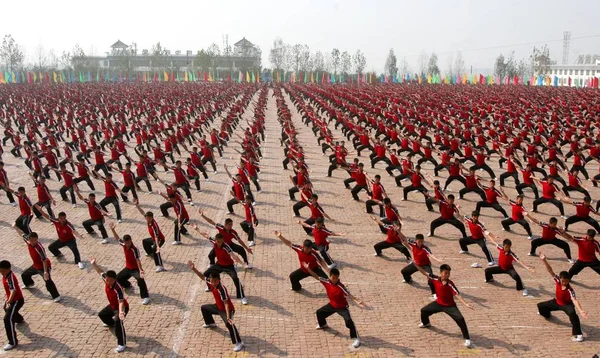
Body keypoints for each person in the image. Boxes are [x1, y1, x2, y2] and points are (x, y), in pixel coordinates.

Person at [302, 263, 366, 349]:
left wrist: (357, 301)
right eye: (333, 278)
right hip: (332, 305)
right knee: (319, 312)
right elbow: (317, 277)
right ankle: (323, 324)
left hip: (342, 307)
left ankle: (356, 338)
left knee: (349, 322)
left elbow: (349, 294)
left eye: (337, 278)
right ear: (330, 277)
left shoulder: (341, 286)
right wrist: (309, 269)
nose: (335, 279)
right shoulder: (326, 281)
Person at [414, 264, 474, 348]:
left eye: (448, 273)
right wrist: (416, 265)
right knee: (424, 310)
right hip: (438, 303)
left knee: (460, 319)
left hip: (450, 306)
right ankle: (426, 323)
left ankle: (467, 339)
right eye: (445, 273)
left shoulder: (450, 284)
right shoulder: (435, 278)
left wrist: (465, 304)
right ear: (441, 273)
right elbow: (424, 273)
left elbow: (457, 294)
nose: (447, 275)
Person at [188, 264, 244, 352]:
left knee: (229, 324)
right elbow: (202, 277)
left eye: (215, 281)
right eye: (212, 281)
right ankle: (210, 323)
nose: (213, 283)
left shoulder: (222, 290)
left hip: (227, 310)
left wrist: (228, 316)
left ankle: (239, 342)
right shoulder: (210, 282)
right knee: (204, 308)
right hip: (218, 306)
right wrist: (193, 268)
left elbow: (226, 304)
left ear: (219, 280)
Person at [537, 253, 587, 342]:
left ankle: (578, 335)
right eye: (563, 281)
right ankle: (547, 315)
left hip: (567, 305)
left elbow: (574, 300)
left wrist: (581, 310)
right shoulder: (557, 281)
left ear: (568, 280)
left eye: (566, 281)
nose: (564, 283)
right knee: (540, 306)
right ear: (560, 279)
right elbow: (550, 271)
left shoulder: (570, 290)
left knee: (573, 315)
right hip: (557, 302)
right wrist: (544, 260)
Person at [190, 228, 248, 305]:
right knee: (206, 274)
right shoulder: (214, 242)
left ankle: (242, 296)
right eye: (218, 241)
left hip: (229, 266)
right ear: (216, 240)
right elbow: (205, 235)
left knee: (235, 278)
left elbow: (233, 256)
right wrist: (197, 229)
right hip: (219, 264)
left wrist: (242, 263)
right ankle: (210, 287)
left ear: (223, 240)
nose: (219, 243)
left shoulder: (226, 247)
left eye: (221, 241)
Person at [90, 258, 129, 353]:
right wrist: (94, 264)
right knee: (102, 314)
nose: (107, 282)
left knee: (119, 322)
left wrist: (120, 312)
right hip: (112, 305)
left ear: (114, 279)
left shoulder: (118, 288)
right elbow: (100, 272)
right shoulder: (106, 279)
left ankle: (122, 344)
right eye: (106, 280)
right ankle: (111, 324)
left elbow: (121, 301)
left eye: (110, 281)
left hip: (122, 307)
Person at [11, 229, 60, 302]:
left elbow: (44, 260)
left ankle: (56, 296)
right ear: (29, 239)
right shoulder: (27, 241)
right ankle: (29, 283)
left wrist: (46, 272)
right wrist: (15, 227)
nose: (33, 242)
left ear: (37, 239)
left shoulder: (39, 248)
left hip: (43, 267)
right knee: (24, 275)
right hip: (35, 265)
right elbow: (22, 234)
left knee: (48, 281)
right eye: (31, 240)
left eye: (35, 240)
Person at [109, 223, 150, 305]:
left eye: (128, 242)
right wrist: (113, 230)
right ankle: (128, 285)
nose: (127, 244)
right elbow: (117, 239)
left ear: (131, 241)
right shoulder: (124, 244)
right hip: (128, 268)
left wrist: (141, 270)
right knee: (117, 278)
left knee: (140, 280)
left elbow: (138, 260)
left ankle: (146, 297)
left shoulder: (134, 249)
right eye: (126, 242)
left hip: (135, 269)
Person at [483, 230, 534, 296]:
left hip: (509, 269)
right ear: (503, 246)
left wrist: (527, 267)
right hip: (500, 267)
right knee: (487, 270)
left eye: (509, 247)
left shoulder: (511, 254)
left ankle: (522, 288)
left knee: (516, 277)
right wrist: (488, 235)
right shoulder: (501, 248)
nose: (507, 248)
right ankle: (490, 279)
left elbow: (518, 261)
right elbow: (494, 242)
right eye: (506, 247)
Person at [400, 234, 442, 298]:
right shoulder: (413, 243)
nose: (420, 243)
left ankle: (434, 293)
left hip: (425, 265)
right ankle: (408, 279)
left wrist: (437, 259)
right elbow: (404, 238)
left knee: (430, 278)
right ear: (416, 240)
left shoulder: (425, 248)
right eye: (419, 241)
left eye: (422, 241)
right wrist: (398, 231)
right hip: (416, 264)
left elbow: (430, 254)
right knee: (404, 271)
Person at [134, 200, 166, 272]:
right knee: (145, 241)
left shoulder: (154, 226)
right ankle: (149, 253)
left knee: (155, 250)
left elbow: (156, 237)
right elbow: (142, 212)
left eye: (149, 218)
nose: (147, 219)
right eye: (147, 218)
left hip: (160, 239)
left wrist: (157, 246)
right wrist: (137, 205)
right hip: (154, 238)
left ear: (152, 218)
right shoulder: (148, 220)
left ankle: (160, 266)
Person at [0, 260, 24, 351]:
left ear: (9, 269)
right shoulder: (5, 275)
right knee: (7, 310)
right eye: (0, 271)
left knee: (7, 319)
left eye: (3, 271)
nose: (2, 273)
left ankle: (12, 342)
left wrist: (9, 301)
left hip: (17, 301)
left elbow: (13, 290)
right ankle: (19, 319)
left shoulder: (10, 277)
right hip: (12, 300)